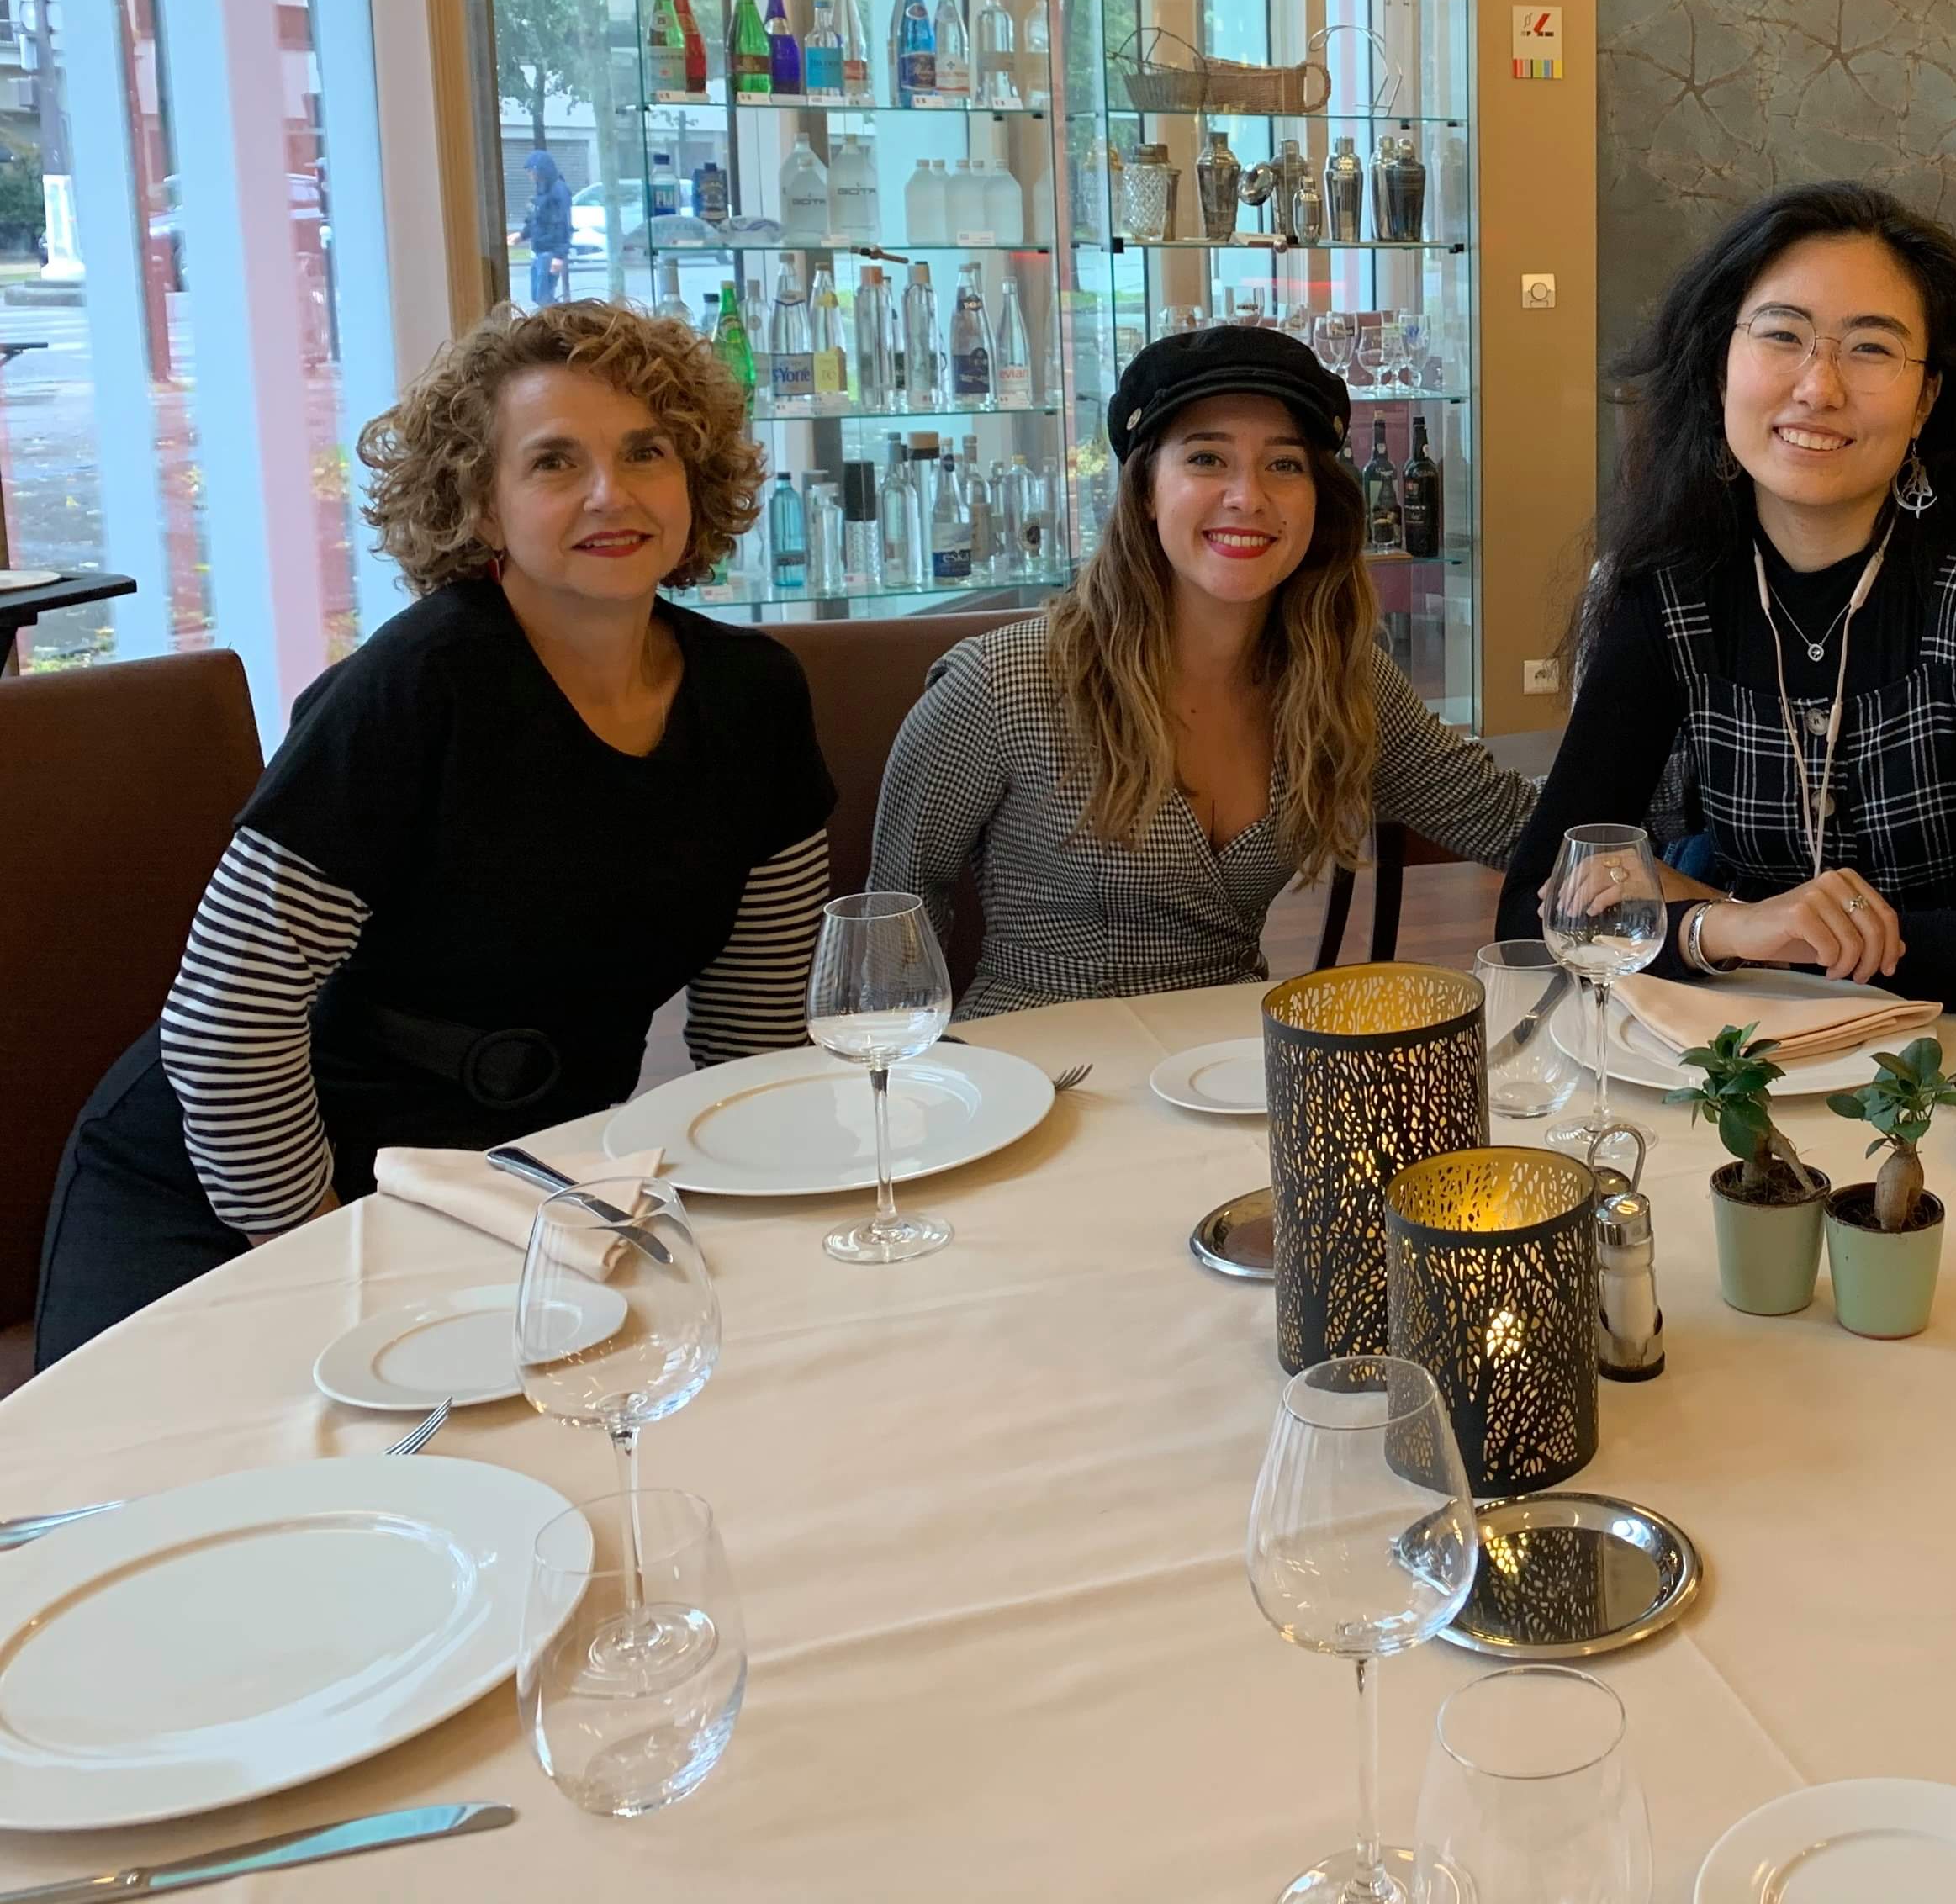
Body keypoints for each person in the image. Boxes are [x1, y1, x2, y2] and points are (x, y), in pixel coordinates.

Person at [36, 301, 832, 1365]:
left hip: (515, 1181)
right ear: (482, 508)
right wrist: (314, 1253)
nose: (612, 492)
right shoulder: (414, 688)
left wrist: (762, 1215)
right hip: (236, 1181)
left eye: (647, 451)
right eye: (554, 462)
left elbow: (754, 1028)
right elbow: (228, 1023)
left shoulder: (753, 698)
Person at [1499, 182, 1956, 1020]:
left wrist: (1719, 919)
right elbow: (1533, 907)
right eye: (1782, 335)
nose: (1819, 387)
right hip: (1733, 1050)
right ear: (1720, 364)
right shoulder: (1671, 592)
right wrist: (1733, 927)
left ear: (1928, 399)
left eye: (1871, 349)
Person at [870, 325, 1537, 1012]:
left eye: (1284, 465)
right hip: (1038, 1051)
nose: (1248, 496)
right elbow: (891, 926)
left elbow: (1504, 820)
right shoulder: (1002, 684)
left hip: (1229, 1052)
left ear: (1319, 498)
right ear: (1145, 490)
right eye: (1207, 459)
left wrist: (1613, 839)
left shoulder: (1340, 676)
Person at [522, 145, 573, 306]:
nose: (530, 175)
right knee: (538, 296)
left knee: (544, 298)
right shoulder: (542, 189)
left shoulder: (558, 190)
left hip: (550, 251)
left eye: (531, 171)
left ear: (540, 170)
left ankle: (556, 318)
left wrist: (559, 255)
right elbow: (537, 218)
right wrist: (522, 235)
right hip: (541, 250)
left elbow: (563, 224)